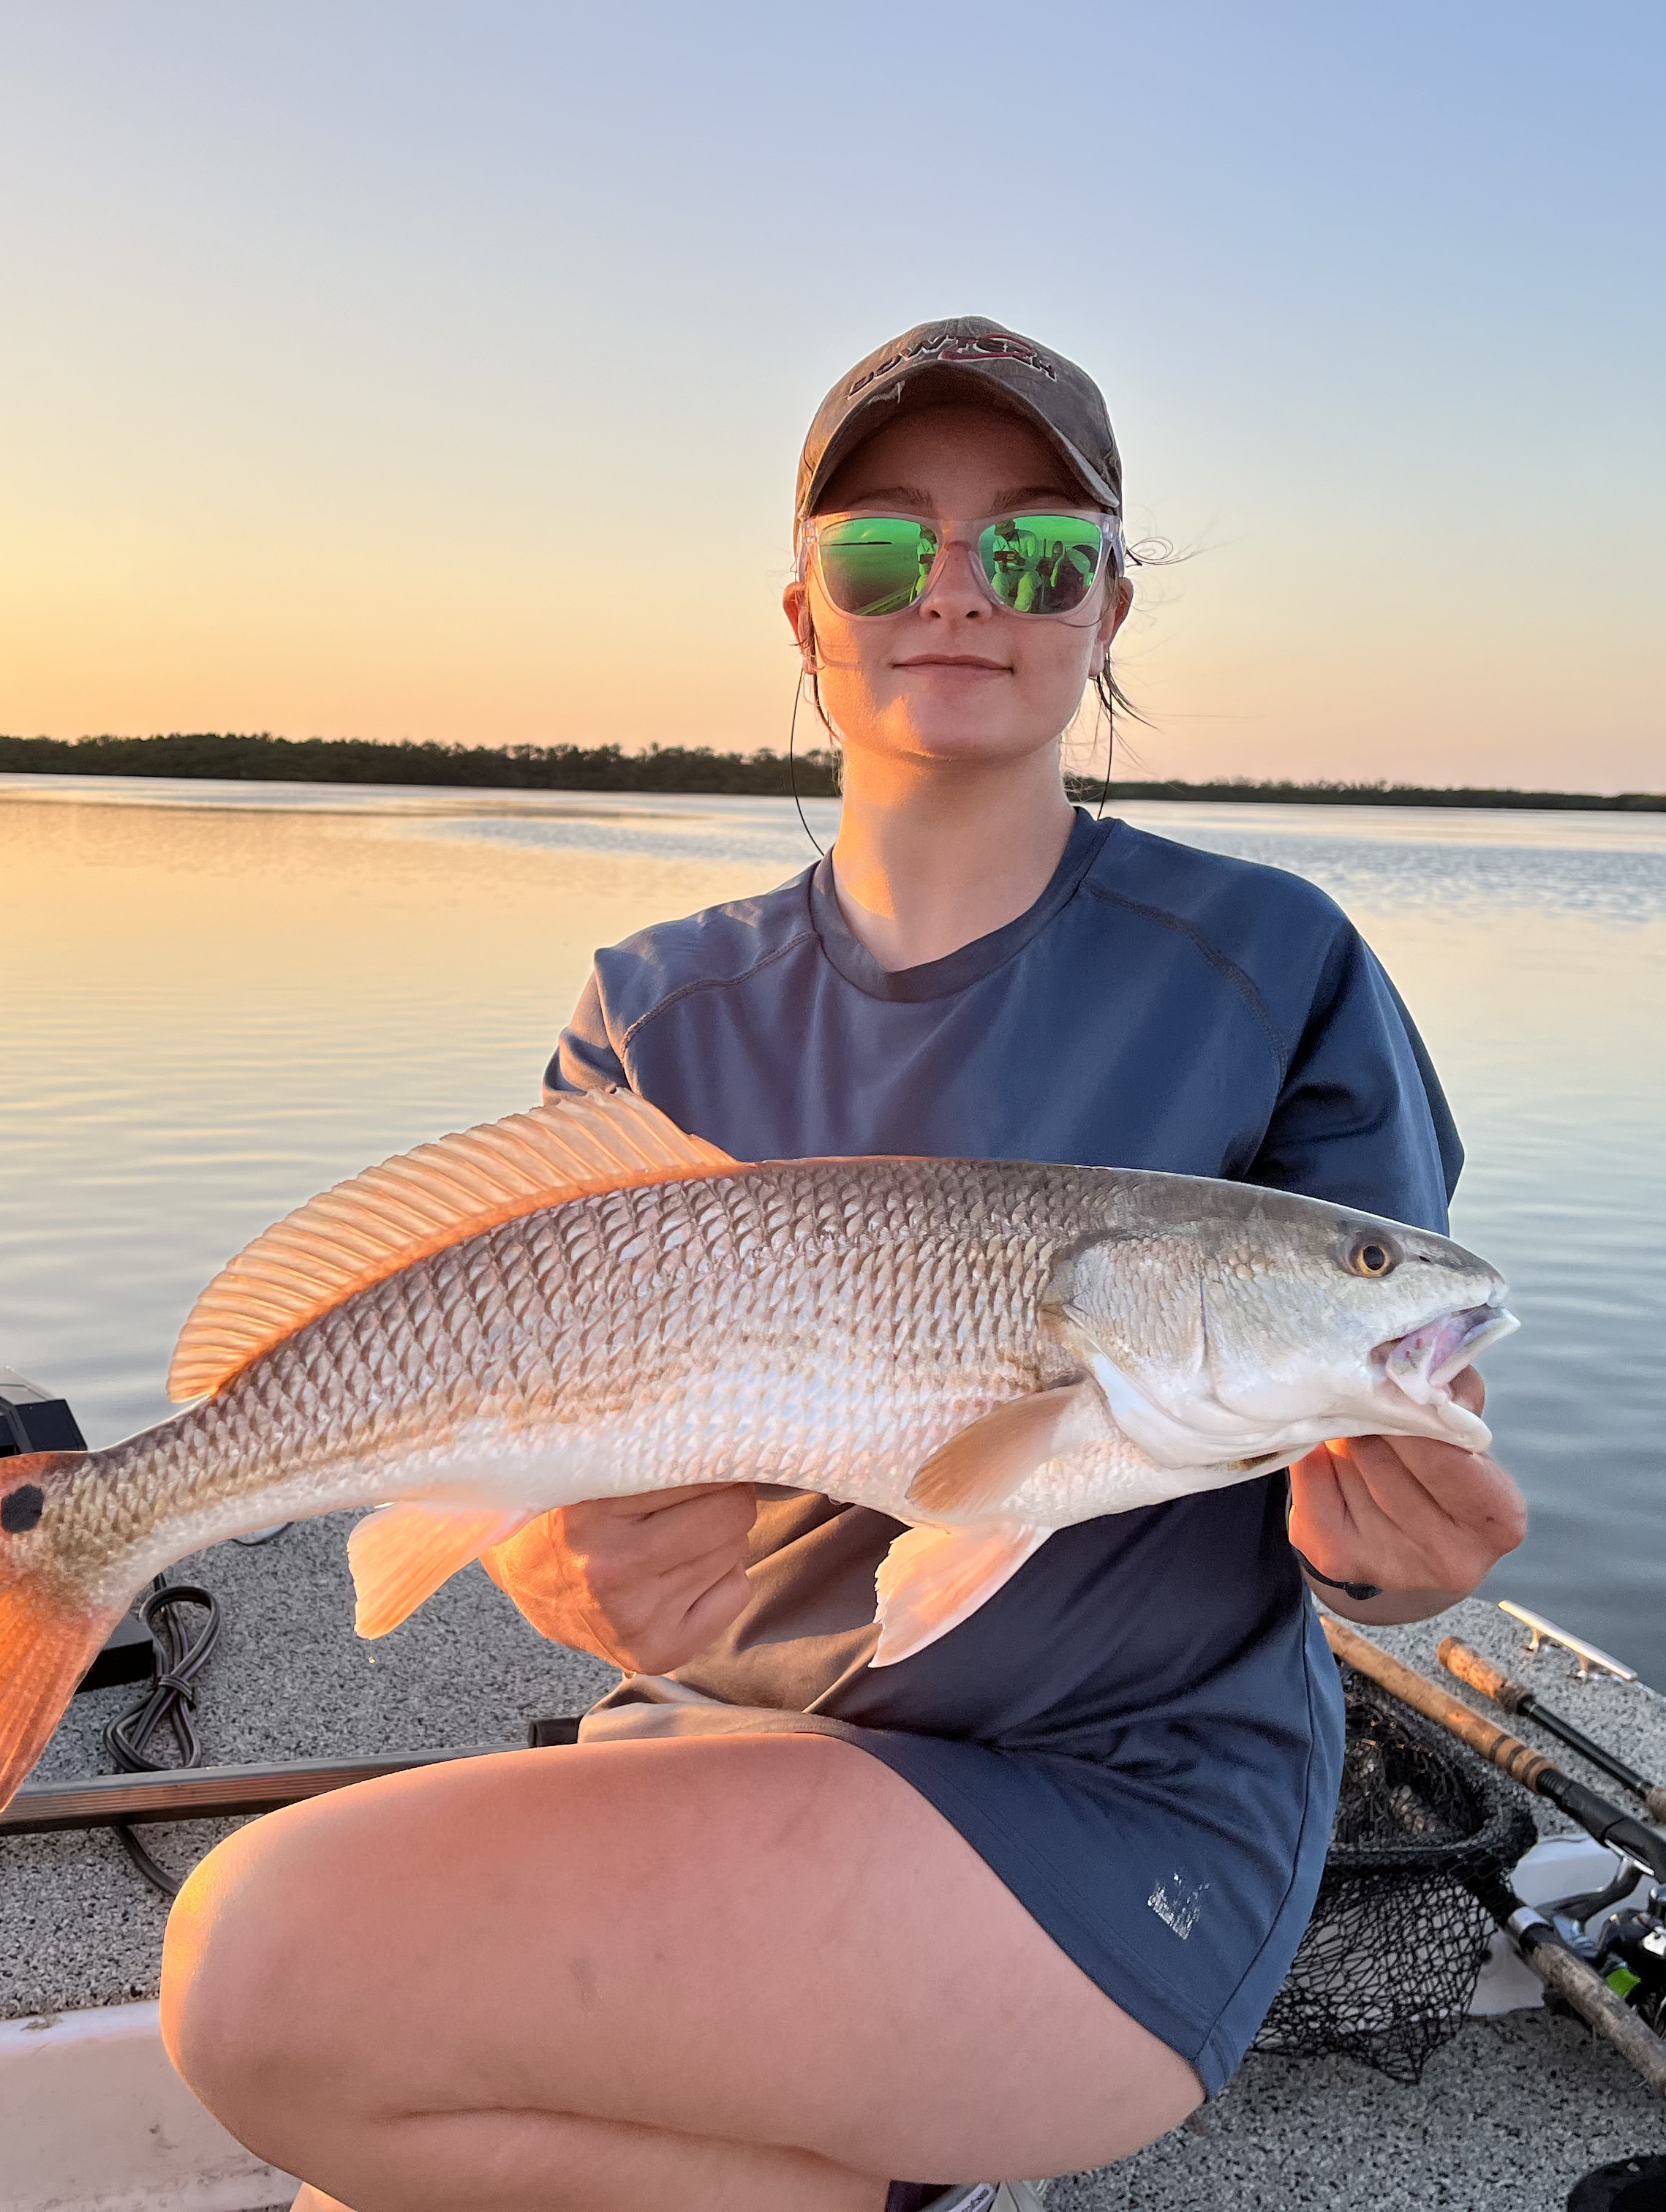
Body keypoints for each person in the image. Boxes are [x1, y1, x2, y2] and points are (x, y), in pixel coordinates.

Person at [159, 317, 1528, 2212]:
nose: (959, 591)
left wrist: (1388, 1552)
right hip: (727, 1749)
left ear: (1110, 603)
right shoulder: (651, 1011)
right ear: (803, 610)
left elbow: (1372, 1501)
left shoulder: (1276, 963)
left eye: (1033, 550)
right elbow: (564, 1527)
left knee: (269, 1965)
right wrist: (580, 1576)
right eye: (887, 547)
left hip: (1120, 1805)